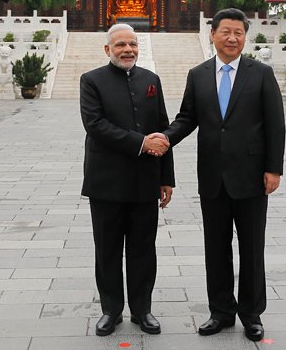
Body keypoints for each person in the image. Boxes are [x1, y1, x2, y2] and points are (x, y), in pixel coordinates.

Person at [152, 8, 285, 342]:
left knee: (252, 248)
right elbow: (187, 118)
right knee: (216, 247)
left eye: (238, 32)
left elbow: (275, 125)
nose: (232, 38)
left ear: (245, 37)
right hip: (212, 176)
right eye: (226, 31)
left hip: (253, 177)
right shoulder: (198, 74)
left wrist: (274, 168)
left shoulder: (262, 74)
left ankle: (251, 314)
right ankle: (221, 312)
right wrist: (165, 138)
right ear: (213, 34)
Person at [79, 23, 174, 337]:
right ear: (108, 50)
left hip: (145, 181)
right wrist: (141, 143)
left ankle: (142, 310)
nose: (128, 50)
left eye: (132, 44)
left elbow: (162, 129)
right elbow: (96, 126)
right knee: (107, 250)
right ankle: (111, 310)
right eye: (120, 45)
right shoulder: (91, 81)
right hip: (106, 182)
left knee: (143, 249)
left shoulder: (151, 80)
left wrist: (166, 178)